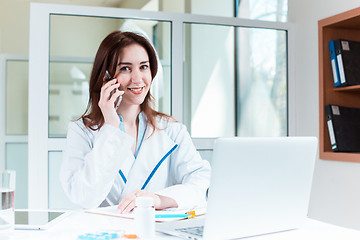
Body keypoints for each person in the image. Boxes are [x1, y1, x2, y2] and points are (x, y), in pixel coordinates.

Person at [60, 31, 211, 213]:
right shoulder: (81, 131)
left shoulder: (171, 129)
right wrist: (110, 127)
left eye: (144, 67)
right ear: (106, 76)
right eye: (125, 68)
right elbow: (83, 196)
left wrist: (159, 199)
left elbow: (201, 181)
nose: (138, 79)